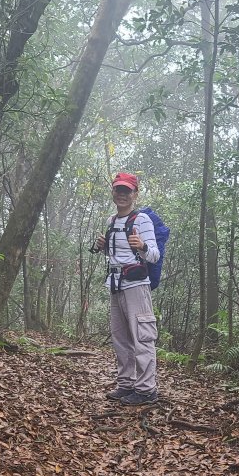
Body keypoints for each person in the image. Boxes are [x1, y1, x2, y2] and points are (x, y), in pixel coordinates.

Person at [93, 172, 159, 405]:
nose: (122, 194)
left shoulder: (142, 220)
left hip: (137, 286)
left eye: (126, 190)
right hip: (116, 285)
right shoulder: (112, 221)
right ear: (113, 192)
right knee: (120, 338)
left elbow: (154, 255)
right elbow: (117, 255)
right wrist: (104, 246)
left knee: (142, 337)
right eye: (118, 190)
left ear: (135, 194)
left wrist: (141, 245)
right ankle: (126, 384)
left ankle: (146, 389)